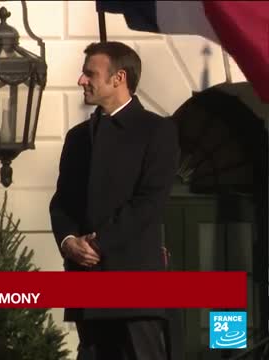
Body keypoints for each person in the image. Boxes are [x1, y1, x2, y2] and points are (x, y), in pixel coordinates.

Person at [49, 41, 179, 360]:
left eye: (89, 73)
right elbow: (62, 201)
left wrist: (98, 243)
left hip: (134, 286)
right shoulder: (78, 137)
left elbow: (149, 202)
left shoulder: (156, 130)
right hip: (86, 286)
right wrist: (68, 241)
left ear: (118, 78)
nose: (82, 80)